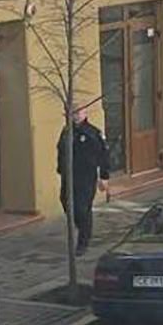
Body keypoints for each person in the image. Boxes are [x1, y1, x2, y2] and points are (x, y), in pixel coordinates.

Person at [57, 103, 110, 255]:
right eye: (73, 113)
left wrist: (104, 176)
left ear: (85, 114)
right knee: (66, 202)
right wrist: (60, 169)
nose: (75, 116)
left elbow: (103, 155)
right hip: (69, 176)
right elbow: (60, 151)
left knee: (82, 208)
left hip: (86, 177)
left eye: (78, 113)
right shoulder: (66, 132)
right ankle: (83, 227)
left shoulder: (92, 133)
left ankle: (83, 241)